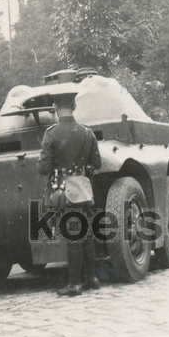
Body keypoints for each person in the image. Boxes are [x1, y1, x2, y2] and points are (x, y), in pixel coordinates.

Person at [36, 93, 102, 297]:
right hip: (83, 188)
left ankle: (74, 284)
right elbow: (97, 163)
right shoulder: (87, 132)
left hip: (64, 191)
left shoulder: (51, 134)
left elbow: (43, 168)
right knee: (87, 236)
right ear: (74, 105)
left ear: (55, 107)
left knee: (73, 236)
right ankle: (91, 279)